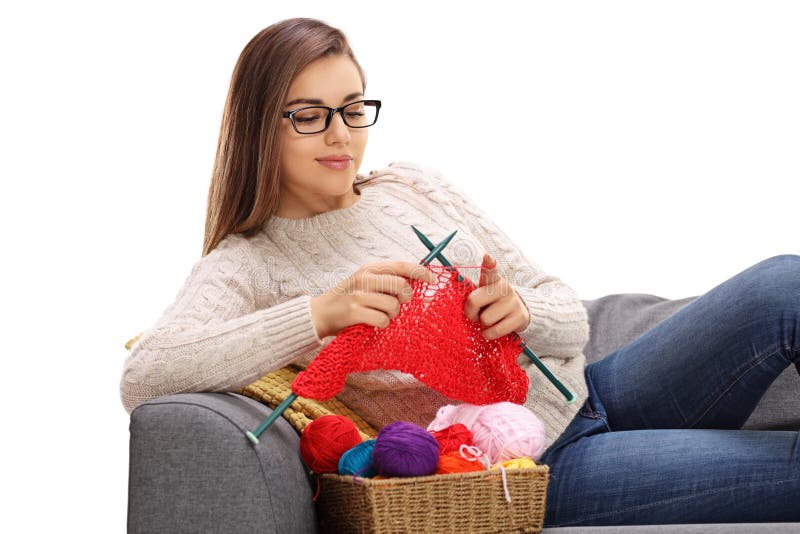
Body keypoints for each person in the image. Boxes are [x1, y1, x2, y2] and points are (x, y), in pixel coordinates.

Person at [119, 17, 800, 526]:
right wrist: (318, 315)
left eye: (355, 109)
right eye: (310, 116)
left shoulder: (412, 186)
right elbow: (145, 374)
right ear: (260, 126)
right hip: (535, 471)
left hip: (596, 387)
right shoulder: (250, 262)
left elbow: (559, 305)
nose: (342, 135)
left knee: (783, 284)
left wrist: (524, 312)